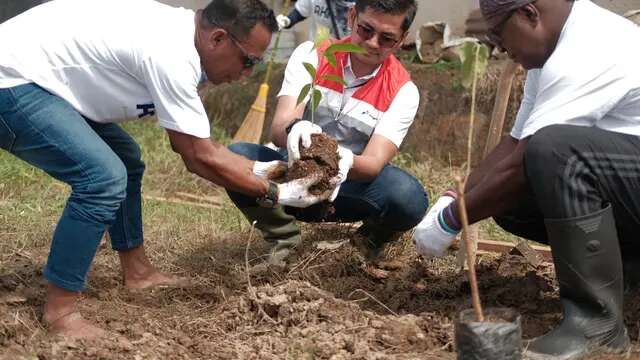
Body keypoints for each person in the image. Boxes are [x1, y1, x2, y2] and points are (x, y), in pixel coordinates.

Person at [0, 0, 329, 339]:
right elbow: (197, 155)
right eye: (248, 62)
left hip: (40, 72)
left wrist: (272, 170)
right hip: (11, 78)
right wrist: (278, 193)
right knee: (102, 178)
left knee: (124, 158)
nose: (247, 75)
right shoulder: (171, 55)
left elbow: (202, 147)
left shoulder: (183, 39)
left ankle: (138, 272)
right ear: (217, 38)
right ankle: (60, 313)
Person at [413, 0, 640, 358]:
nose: (502, 48)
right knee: (509, 200)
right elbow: (516, 145)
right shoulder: (550, 54)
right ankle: (629, 271)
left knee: (556, 152)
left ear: (529, 13)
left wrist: (452, 219)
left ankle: (596, 327)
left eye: (501, 36)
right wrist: (450, 196)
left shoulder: (586, 48)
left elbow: (530, 160)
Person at [228, 0, 427, 277]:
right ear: (352, 16)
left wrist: (341, 159)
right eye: (366, 29)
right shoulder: (314, 55)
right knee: (235, 158)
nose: (371, 43)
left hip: (346, 188)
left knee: (409, 197)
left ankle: (364, 243)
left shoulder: (403, 90)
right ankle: (283, 235)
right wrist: (294, 129)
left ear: (401, 39)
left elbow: (372, 164)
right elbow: (279, 126)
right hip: (291, 177)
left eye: (386, 38)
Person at [276, 0, 355, 40]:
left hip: (348, 54)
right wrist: (287, 21)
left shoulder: (360, 4)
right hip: (319, 52)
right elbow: (299, 12)